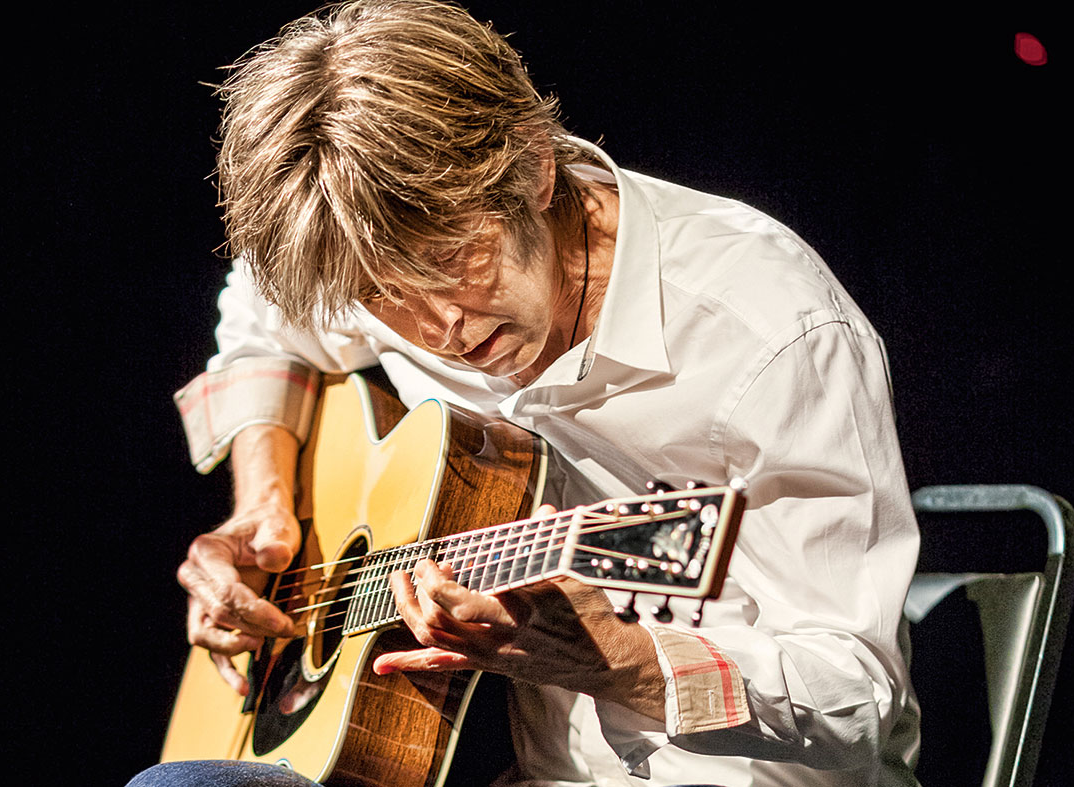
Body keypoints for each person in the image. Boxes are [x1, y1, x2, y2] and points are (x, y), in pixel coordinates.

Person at [134, 1, 920, 785]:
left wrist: (622, 662)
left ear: (537, 168)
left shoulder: (774, 334)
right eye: (383, 295)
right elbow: (261, 318)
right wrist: (264, 505)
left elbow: (859, 696)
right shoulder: (370, 251)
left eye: (454, 258)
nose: (437, 324)